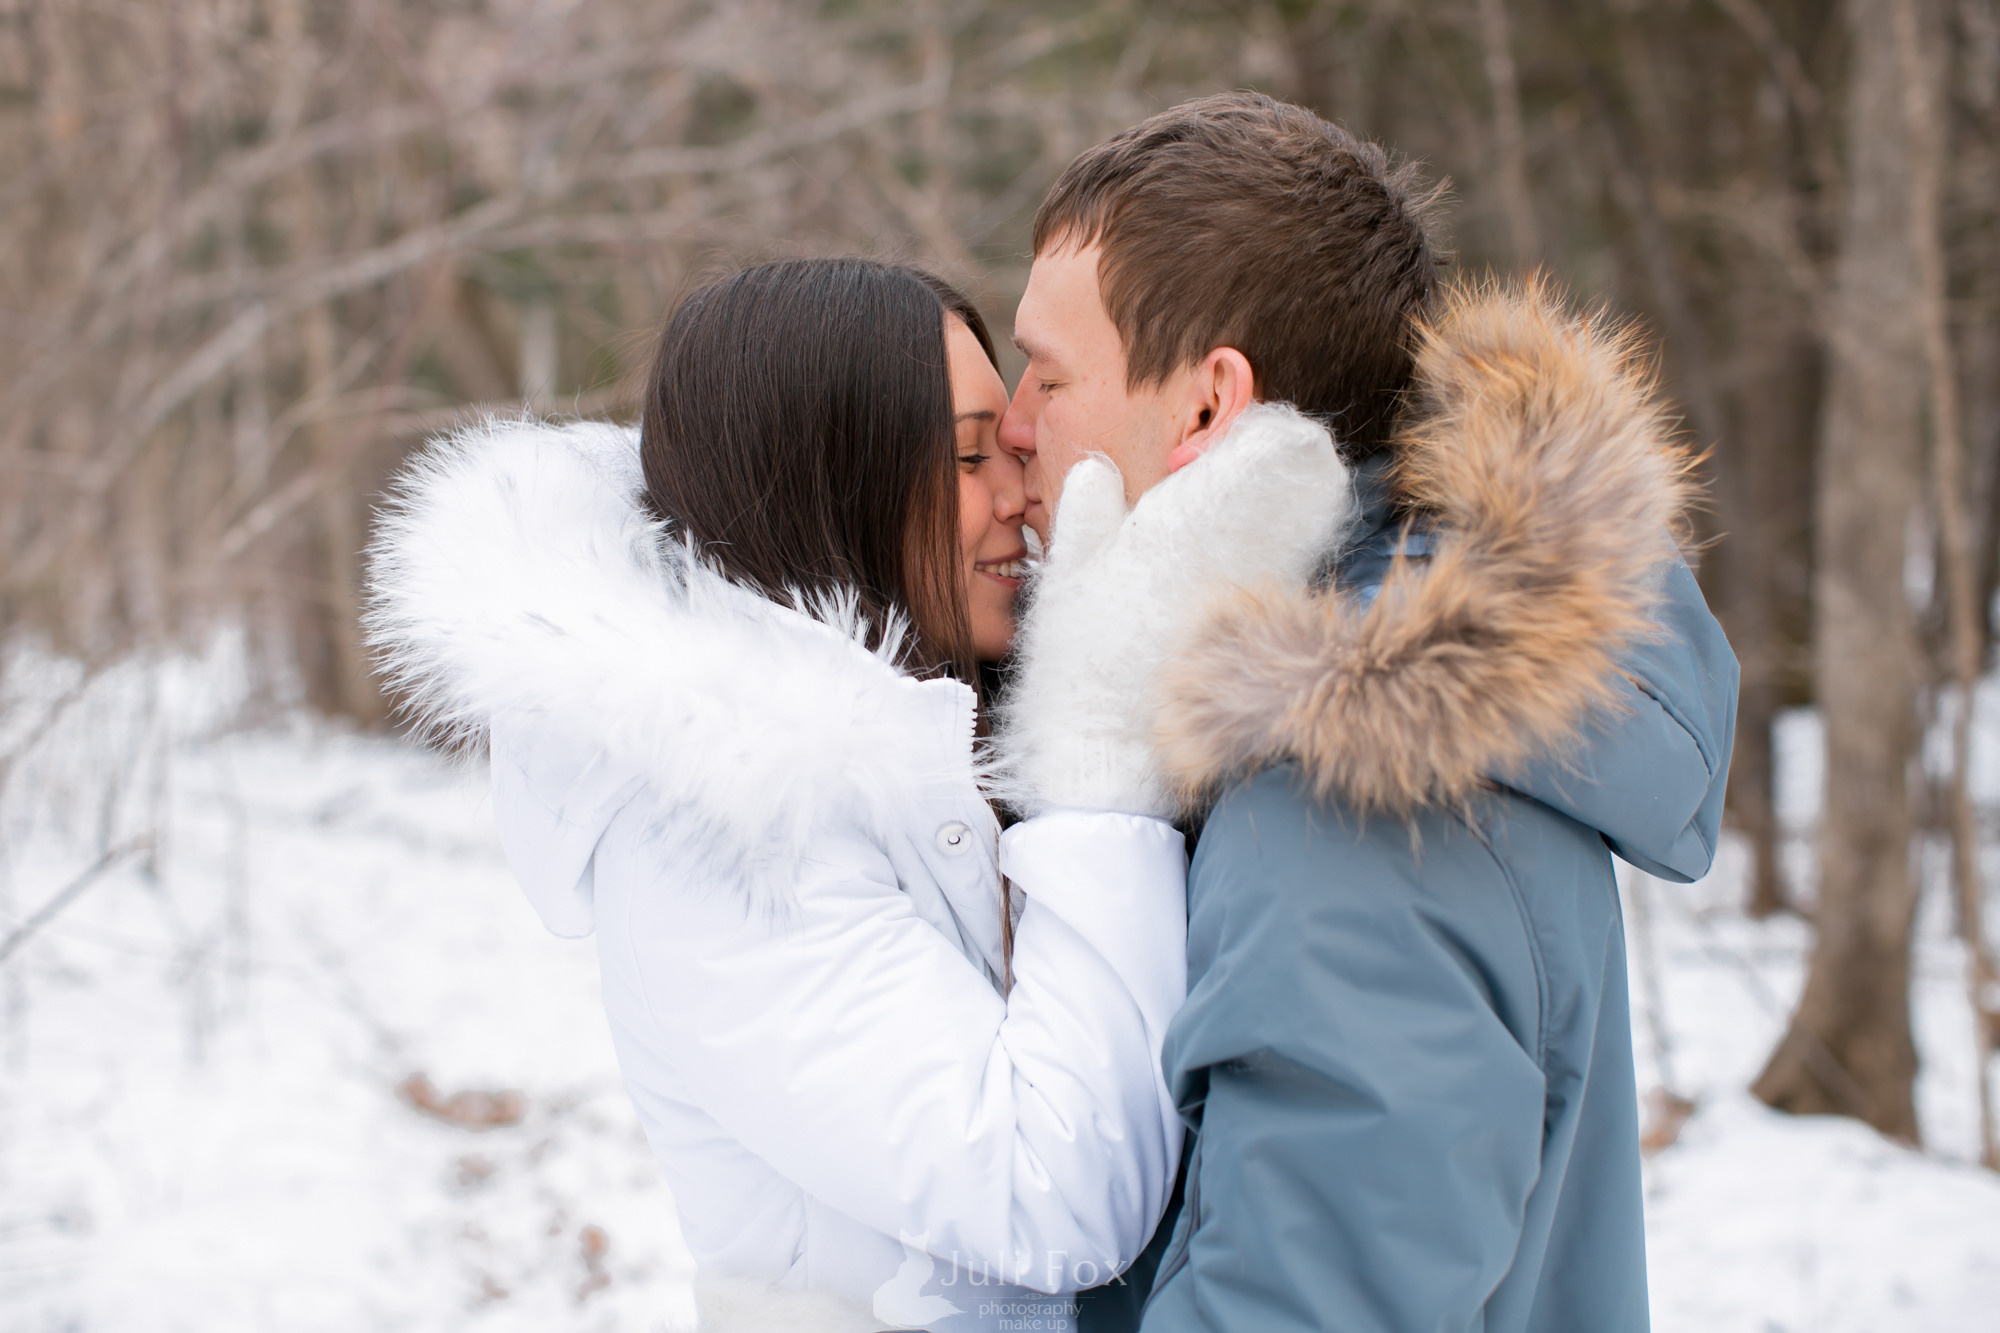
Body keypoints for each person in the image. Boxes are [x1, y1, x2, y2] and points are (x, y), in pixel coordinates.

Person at [365, 258, 1350, 1332]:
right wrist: (1097, 755)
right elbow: (1056, 1193)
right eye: (970, 456)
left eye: (1013, 447)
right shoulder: (720, 839)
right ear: (831, 488)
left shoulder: (947, 734)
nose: (1023, 493)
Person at [994, 94, 1738, 1332]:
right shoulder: (1361, 724)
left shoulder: (1344, 802)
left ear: (1204, 407)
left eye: (1050, 374)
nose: (1016, 423)